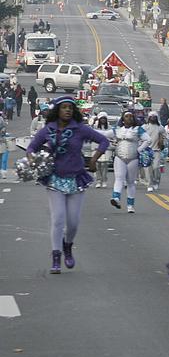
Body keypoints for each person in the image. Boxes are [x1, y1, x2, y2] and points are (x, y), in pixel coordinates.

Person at [26, 97, 110, 273]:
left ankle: (67, 246)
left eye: (70, 108)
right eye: (64, 107)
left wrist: (94, 159)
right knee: (58, 219)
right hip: (54, 179)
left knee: (73, 222)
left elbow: (104, 141)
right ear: (57, 110)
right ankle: (56, 257)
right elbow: (31, 147)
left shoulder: (79, 129)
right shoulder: (48, 130)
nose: (68, 110)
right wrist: (33, 159)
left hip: (76, 178)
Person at [110, 111, 148, 213]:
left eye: (131, 116)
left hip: (133, 158)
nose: (129, 118)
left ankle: (130, 205)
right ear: (122, 119)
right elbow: (105, 134)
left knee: (131, 182)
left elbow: (147, 140)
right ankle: (116, 197)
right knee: (119, 178)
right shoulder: (117, 130)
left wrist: (139, 149)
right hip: (119, 157)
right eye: (127, 116)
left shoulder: (138, 129)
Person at [91, 113, 115, 189]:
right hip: (96, 148)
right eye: (101, 119)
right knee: (97, 164)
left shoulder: (110, 127)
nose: (103, 120)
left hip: (106, 148)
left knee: (104, 164)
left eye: (104, 118)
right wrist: (93, 122)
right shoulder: (94, 127)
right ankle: (98, 181)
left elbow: (112, 137)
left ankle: (104, 180)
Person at [144, 115, 166, 192]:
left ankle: (156, 181)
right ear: (149, 118)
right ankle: (149, 184)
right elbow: (140, 136)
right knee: (148, 169)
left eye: (154, 117)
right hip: (147, 150)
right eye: (151, 117)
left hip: (157, 150)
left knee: (156, 167)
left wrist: (162, 142)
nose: (153, 118)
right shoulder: (145, 127)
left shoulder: (160, 127)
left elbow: (164, 136)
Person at [0, 113, 9, 179]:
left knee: (3, 157)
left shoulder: (0, 119)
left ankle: (3, 172)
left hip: (1, 140)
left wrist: (3, 131)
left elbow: (3, 127)